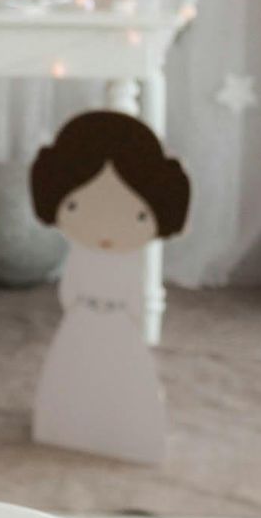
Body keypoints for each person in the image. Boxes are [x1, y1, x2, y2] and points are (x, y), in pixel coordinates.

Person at [28, 111, 191, 464]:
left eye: (137, 215)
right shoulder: (89, 258)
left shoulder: (127, 261)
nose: (104, 230)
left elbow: (82, 294)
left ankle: (122, 429)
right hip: (89, 322)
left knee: (120, 376)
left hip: (107, 324)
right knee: (75, 372)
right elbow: (74, 292)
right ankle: (66, 424)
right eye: (75, 205)